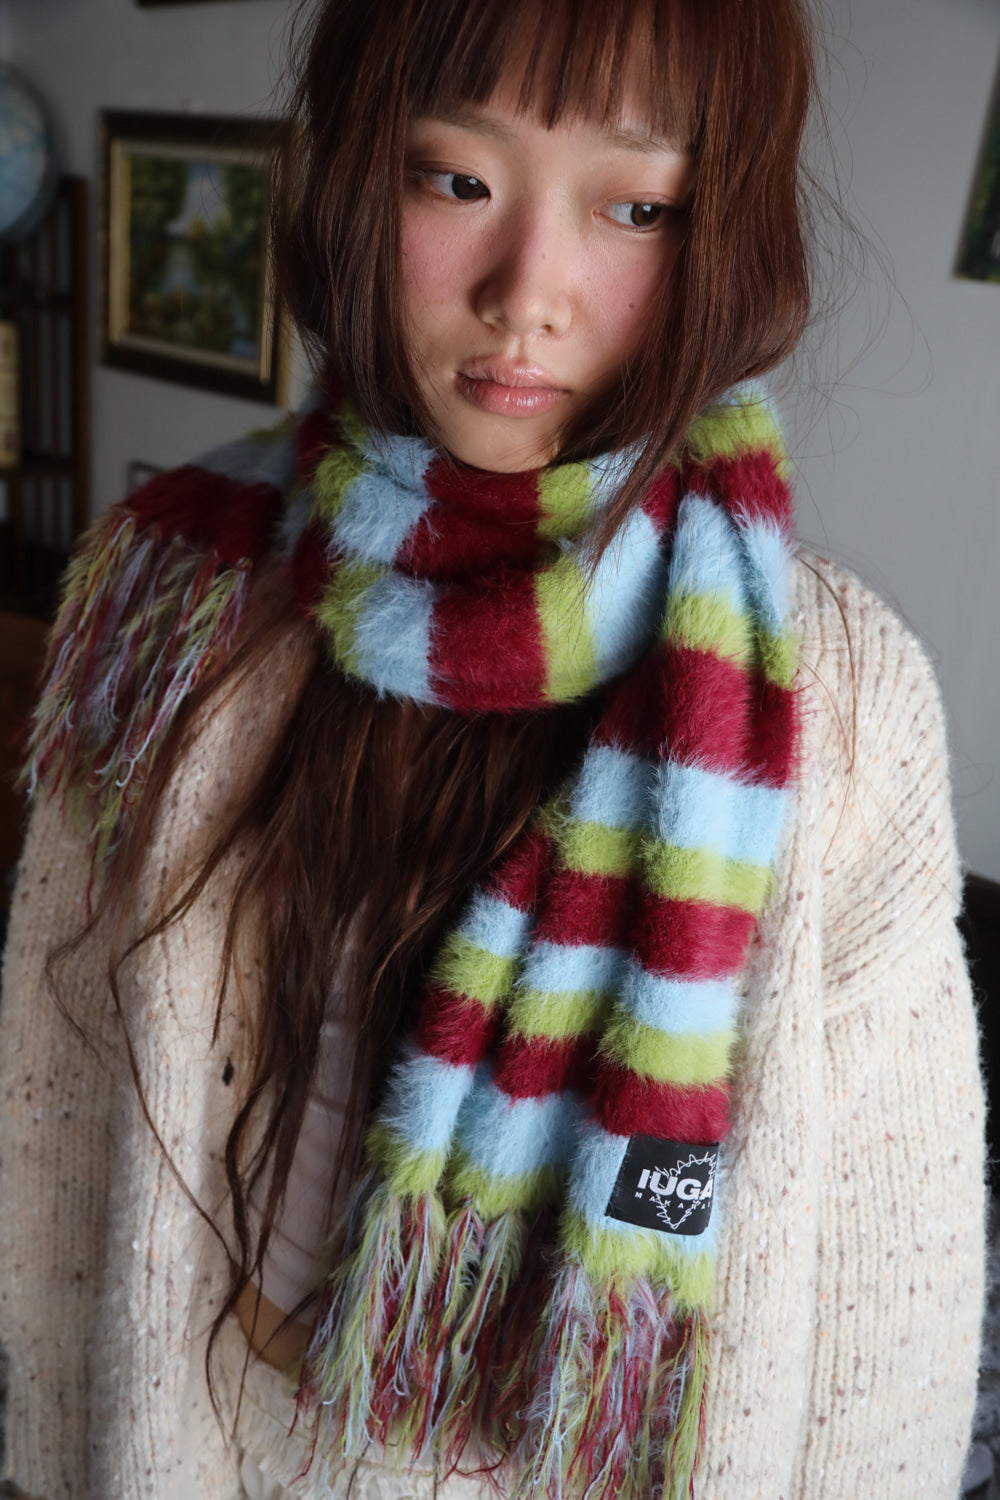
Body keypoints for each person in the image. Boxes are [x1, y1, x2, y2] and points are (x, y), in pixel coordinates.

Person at [0, 0, 986, 1496]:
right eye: (455, 179)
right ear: (354, 179)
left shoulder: (839, 696)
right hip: (208, 1426)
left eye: (637, 208)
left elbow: (890, 1293)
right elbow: (56, 1099)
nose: (528, 295)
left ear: (725, 236)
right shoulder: (177, 602)